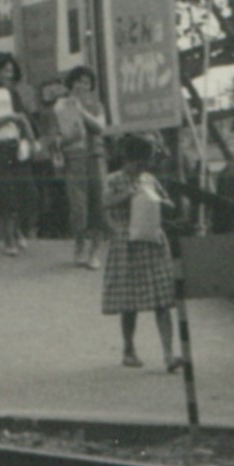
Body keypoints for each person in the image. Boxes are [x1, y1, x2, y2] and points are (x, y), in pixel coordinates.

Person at [101, 133, 181, 369]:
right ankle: (129, 349)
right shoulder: (114, 179)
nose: (142, 166)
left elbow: (169, 204)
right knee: (130, 301)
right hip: (127, 240)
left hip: (152, 238)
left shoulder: (149, 179)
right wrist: (129, 195)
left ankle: (168, 354)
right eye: (139, 161)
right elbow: (105, 203)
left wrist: (158, 201)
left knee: (163, 300)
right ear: (130, 159)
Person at [52, 66, 109, 270]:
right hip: (74, 157)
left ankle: (94, 251)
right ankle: (79, 245)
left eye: (86, 82)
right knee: (78, 205)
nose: (82, 85)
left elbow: (100, 127)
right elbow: (55, 138)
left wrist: (81, 111)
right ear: (71, 83)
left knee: (99, 202)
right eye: (78, 81)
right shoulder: (59, 106)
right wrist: (67, 138)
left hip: (96, 156)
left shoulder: (96, 105)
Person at [0, 57, 32, 254]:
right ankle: (9, 238)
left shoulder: (12, 93)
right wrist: (9, 117)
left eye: (10, 71)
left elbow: (23, 119)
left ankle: (17, 230)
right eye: (5, 71)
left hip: (15, 145)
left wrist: (30, 139)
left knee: (21, 191)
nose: (9, 75)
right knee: (3, 193)